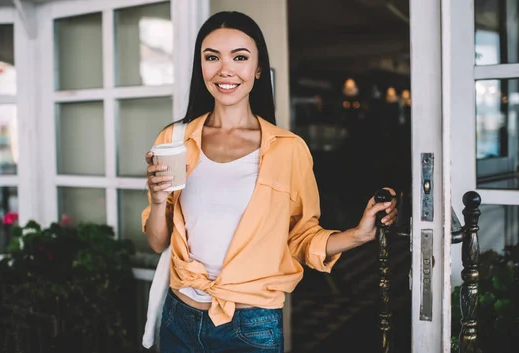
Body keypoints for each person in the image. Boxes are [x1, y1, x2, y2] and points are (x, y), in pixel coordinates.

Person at [141, 11, 398, 353]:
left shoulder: (288, 150)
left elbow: (302, 237)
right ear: (200, 66)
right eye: (212, 57)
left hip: (251, 325)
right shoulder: (174, 139)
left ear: (258, 69)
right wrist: (159, 201)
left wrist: (359, 234)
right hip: (180, 316)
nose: (225, 70)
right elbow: (158, 243)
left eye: (240, 57)